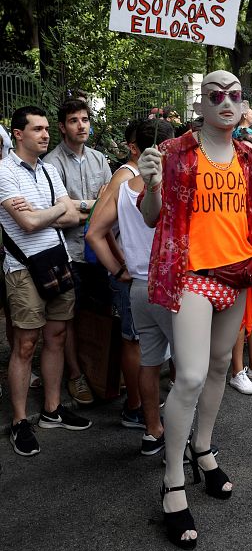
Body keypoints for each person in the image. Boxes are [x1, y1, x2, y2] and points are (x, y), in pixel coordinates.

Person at [137, 70, 252, 550]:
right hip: (190, 273)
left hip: (236, 272)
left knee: (217, 367)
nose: (227, 101)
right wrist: (150, 185)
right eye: (216, 95)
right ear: (201, 105)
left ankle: (203, 450)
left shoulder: (251, 155)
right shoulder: (172, 154)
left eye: (235, 95)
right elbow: (152, 218)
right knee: (189, 375)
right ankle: (172, 482)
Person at [0, 106, 92, 456]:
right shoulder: (4, 172)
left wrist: (45, 214)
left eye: (46, 129)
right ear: (18, 134)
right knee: (25, 345)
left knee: (57, 335)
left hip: (58, 261)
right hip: (23, 267)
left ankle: (52, 410)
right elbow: (28, 225)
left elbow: (71, 216)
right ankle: (21, 420)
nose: (45, 134)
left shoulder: (51, 169)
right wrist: (55, 212)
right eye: (37, 129)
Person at [87, 118, 175, 455]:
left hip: (137, 283)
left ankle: (152, 427)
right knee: (180, 361)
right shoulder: (176, 185)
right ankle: (177, 434)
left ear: (136, 147)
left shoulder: (125, 186)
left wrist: (119, 269)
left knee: (147, 358)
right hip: (169, 283)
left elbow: (94, 232)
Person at [44, 98, 112, 405]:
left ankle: (100, 369)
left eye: (84, 119)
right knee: (67, 316)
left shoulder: (100, 159)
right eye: (74, 120)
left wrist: (78, 205)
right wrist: (92, 205)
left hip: (98, 251)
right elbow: (57, 213)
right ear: (62, 127)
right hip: (67, 252)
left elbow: (111, 204)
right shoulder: (50, 164)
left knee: (99, 312)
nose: (81, 125)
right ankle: (75, 375)